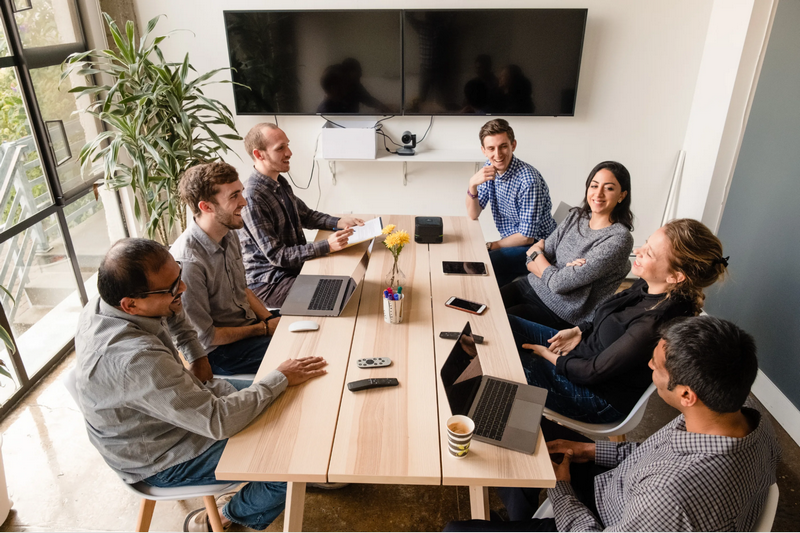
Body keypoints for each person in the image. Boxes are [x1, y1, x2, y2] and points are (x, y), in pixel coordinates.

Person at [73, 238, 327, 531]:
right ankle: (226, 516)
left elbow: (175, 312)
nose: (182, 289)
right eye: (171, 289)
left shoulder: (110, 301)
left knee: (295, 400)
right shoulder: (136, 359)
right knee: (293, 461)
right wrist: (279, 376)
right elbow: (219, 421)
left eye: (178, 276)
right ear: (131, 305)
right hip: (162, 455)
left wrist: (196, 355)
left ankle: (295, 475)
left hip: (176, 411)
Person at [444, 315, 780, 532]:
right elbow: (654, 454)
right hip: (624, 490)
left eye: (657, 366)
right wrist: (588, 449)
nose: (648, 364)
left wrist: (560, 488)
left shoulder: (670, 496)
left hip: (605, 519)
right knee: (524, 425)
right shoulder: (748, 417)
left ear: (687, 394)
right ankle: (523, 515)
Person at [510, 218, 727, 424]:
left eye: (648, 253)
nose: (637, 251)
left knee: (503, 363)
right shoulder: (648, 286)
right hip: (580, 353)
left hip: (596, 397)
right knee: (506, 324)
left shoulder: (655, 321)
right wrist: (580, 330)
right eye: (645, 244)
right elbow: (606, 316)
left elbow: (593, 372)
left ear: (676, 277)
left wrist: (551, 357)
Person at [171, 162, 280, 382]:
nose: (244, 202)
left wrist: (269, 319)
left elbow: (243, 289)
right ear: (206, 207)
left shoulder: (228, 232)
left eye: (241, 193)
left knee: (314, 325)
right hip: (219, 351)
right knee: (301, 349)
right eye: (234, 197)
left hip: (249, 326)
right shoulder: (189, 263)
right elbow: (207, 337)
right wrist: (265, 328)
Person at [239, 123, 364, 307]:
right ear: (259, 154)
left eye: (287, 145)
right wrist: (327, 245)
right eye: (280, 148)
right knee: (343, 292)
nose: (289, 152)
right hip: (270, 283)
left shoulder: (279, 182)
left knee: (350, 278)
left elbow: (306, 215)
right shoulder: (252, 197)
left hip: (293, 270)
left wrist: (339, 221)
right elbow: (277, 255)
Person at [501, 161, 634, 329]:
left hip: (560, 311)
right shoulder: (575, 217)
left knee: (497, 326)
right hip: (529, 285)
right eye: (594, 186)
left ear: (622, 195)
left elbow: (558, 283)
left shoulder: (618, 239)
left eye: (609, 188)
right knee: (482, 308)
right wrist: (554, 269)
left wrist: (537, 254)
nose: (598, 194)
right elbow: (530, 263)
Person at [466, 119, 557, 288]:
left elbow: (526, 236)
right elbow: (473, 213)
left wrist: (492, 245)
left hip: (538, 247)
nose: (498, 155)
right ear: (484, 151)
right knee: (472, 260)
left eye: (503, 146)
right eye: (491, 148)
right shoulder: (490, 167)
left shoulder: (528, 181)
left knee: (484, 264)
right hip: (514, 241)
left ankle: (493, 304)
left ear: (513, 145)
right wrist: (472, 185)